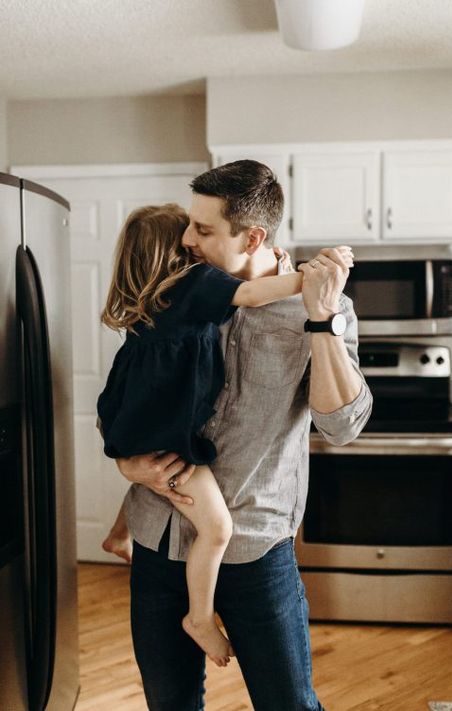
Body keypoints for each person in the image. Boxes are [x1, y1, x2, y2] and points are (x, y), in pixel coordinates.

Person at [106, 160, 372, 711]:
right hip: (160, 540)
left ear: (252, 236)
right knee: (169, 703)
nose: (186, 239)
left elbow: (342, 425)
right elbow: (130, 399)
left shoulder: (320, 306)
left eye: (202, 230)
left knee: (289, 704)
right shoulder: (178, 292)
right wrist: (127, 465)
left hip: (255, 550)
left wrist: (321, 319)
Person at [96, 202, 318, 667]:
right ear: (177, 251)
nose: (196, 242)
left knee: (154, 478)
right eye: (190, 234)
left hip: (136, 426)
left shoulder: (146, 305)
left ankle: (120, 534)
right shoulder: (194, 285)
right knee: (216, 528)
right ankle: (200, 616)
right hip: (168, 439)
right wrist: (312, 278)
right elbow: (256, 295)